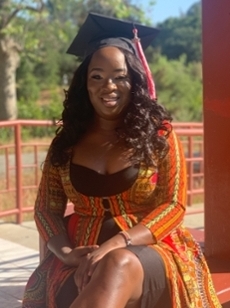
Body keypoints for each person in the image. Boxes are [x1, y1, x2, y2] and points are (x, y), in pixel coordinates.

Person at [22, 12, 221, 308]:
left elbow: (174, 206)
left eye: (120, 77)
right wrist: (65, 253)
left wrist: (118, 242)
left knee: (116, 264)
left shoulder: (159, 137)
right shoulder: (65, 143)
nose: (109, 86)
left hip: (150, 252)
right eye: (97, 76)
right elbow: (46, 210)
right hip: (81, 258)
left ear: (134, 81)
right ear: (84, 84)